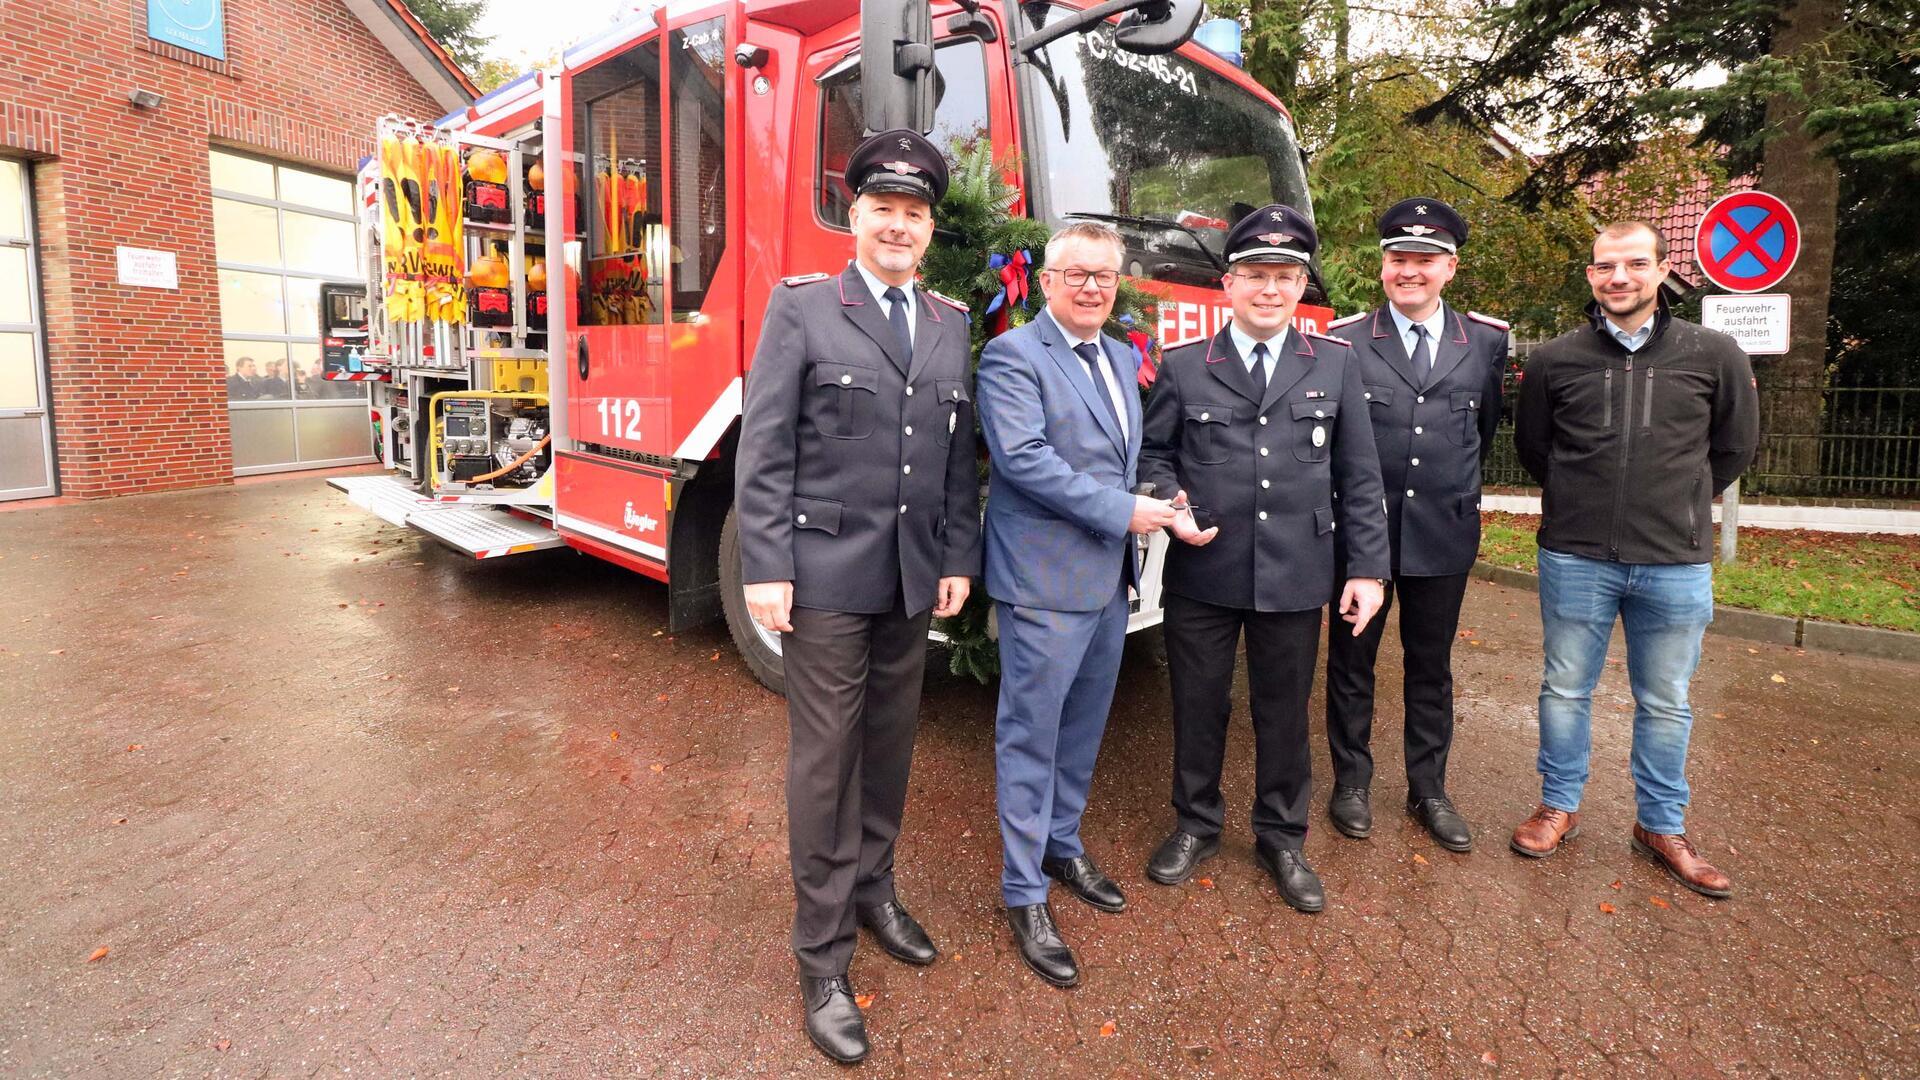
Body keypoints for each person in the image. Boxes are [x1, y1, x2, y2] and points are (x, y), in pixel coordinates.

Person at [733, 128, 982, 1064]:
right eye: (883, 209)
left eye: (914, 215)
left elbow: (957, 457)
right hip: (827, 577)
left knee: (888, 745)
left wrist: (956, 553)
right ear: (854, 215)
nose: (898, 227)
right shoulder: (804, 308)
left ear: (928, 230)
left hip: (912, 577)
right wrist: (765, 565)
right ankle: (822, 956)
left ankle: (874, 889)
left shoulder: (952, 322)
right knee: (826, 762)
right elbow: (767, 448)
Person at [1137, 204, 1390, 914]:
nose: (1270, 289)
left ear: (1301, 283)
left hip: (1295, 569)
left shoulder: (1335, 364)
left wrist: (1367, 571)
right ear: (1229, 283)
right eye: (1255, 274)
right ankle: (1196, 824)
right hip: (1205, 569)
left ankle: (1282, 835)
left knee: (1283, 710)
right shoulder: (1186, 366)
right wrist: (1169, 497)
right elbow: (1154, 453)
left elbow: (1359, 475)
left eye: (1285, 275)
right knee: (1198, 705)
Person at [1509, 220, 1759, 899]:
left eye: (1634, 264)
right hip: (1577, 555)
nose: (1619, 277)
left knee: (1667, 701)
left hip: (1675, 562)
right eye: (1605, 266)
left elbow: (1734, 448)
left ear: (1662, 269)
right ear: (1590, 275)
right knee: (1565, 690)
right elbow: (1537, 449)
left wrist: (1679, 501)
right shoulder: (1557, 359)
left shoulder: (1714, 353)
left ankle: (1661, 825)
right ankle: (1558, 805)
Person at [975, 220, 1176, 987]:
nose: (1092, 286)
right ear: (1046, 279)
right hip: (1042, 584)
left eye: (1104, 274)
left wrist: (1159, 498)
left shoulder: (1124, 357)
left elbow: (1119, 461)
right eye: (1076, 273)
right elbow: (1024, 460)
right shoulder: (1013, 354)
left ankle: (1062, 846)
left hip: (1104, 581)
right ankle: (1023, 891)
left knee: (1084, 728)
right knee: (1031, 736)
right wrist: (1123, 511)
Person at [1321, 198, 1510, 853]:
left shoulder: (1485, 341)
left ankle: (1429, 788)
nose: (1410, 271)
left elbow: (1483, 432)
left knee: (1430, 668)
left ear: (1450, 268)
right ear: (1382, 267)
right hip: (1361, 538)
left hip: (1443, 533)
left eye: (1424, 260)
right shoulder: (1342, 341)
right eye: (1399, 259)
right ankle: (1350, 782)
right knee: (1352, 662)